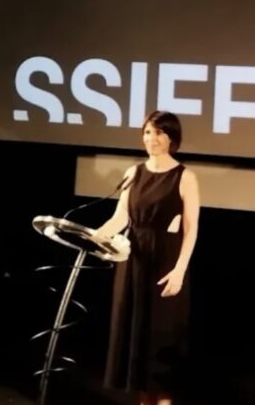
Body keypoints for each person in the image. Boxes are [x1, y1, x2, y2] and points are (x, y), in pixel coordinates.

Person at [95, 111, 200, 405]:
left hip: (165, 262)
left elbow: (191, 229)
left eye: (158, 133)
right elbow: (121, 217)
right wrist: (95, 236)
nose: (151, 139)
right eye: (147, 132)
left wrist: (180, 270)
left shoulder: (185, 176)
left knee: (160, 346)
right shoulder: (133, 172)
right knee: (138, 348)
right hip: (134, 261)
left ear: (172, 138)